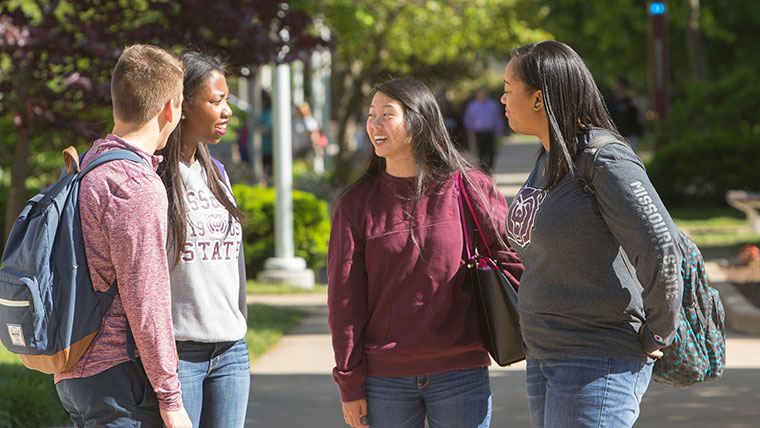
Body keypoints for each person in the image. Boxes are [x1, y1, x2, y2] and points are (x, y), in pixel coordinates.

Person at [501, 41, 683, 428]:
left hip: (597, 360)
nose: (502, 97)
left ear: (538, 98)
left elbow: (660, 244)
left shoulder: (604, 159)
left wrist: (659, 333)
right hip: (545, 356)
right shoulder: (549, 156)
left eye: (508, 87)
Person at [327, 77, 523, 428]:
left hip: (460, 372)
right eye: (371, 115)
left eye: (387, 114)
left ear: (419, 121)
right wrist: (349, 382)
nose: (375, 124)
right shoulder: (356, 205)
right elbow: (345, 300)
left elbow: (512, 260)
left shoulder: (468, 187)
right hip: (385, 380)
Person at [53, 44, 192, 428]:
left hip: (75, 373)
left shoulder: (91, 165)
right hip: (120, 380)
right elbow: (146, 300)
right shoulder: (135, 185)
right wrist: (171, 397)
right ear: (170, 108)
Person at [157, 52, 249, 428]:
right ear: (182, 106)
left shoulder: (218, 173)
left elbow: (235, 264)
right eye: (216, 101)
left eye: (226, 100)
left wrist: (240, 321)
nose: (226, 111)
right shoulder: (155, 175)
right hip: (180, 354)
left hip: (231, 350)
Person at [463, 88, 503, 171]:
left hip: (490, 131)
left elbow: (497, 118)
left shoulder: (493, 104)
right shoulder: (473, 105)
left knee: (490, 151)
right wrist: (468, 130)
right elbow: (469, 118)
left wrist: (499, 130)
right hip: (478, 132)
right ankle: (482, 169)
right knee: (480, 152)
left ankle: (490, 169)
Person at [606, 76, 642, 148]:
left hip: (630, 134)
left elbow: (638, 117)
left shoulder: (631, 102)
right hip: (614, 134)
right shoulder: (609, 102)